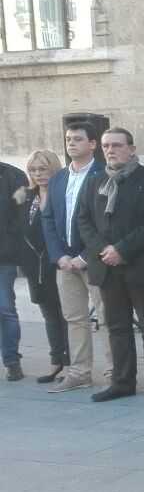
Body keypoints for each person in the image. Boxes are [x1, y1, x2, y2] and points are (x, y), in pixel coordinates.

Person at [77, 127, 144, 404]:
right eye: (106, 146)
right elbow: (83, 220)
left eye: (117, 145)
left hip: (142, 266)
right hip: (107, 267)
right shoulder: (94, 182)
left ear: (131, 149)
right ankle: (122, 382)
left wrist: (122, 249)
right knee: (116, 327)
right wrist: (103, 250)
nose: (110, 150)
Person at [42, 122, 111, 392]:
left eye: (78, 139)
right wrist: (58, 255)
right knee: (74, 318)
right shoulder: (59, 177)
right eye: (68, 139)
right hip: (64, 262)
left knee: (106, 317)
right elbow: (48, 219)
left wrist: (85, 255)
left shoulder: (103, 174)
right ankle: (80, 372)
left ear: (93, 144)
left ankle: (114, 372)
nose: (71, 143)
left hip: (93, 260)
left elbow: (106, 223)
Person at [18, 151, 70, 383]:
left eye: (43, 169)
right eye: (33, 170)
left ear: (54, 169)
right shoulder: (25, 194)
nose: (38, 174)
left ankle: (71, 364)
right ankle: (56, 361)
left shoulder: (64, 192)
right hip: (34, 264)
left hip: (60, 261)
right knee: (49, 314)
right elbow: (15, 223)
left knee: (67, 315)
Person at [0, 158, 29, 381]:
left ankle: (12, 361)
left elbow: (20, 218)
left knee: (5, 309)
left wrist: (10, 248)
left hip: (3, 257)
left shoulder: (14, 176)